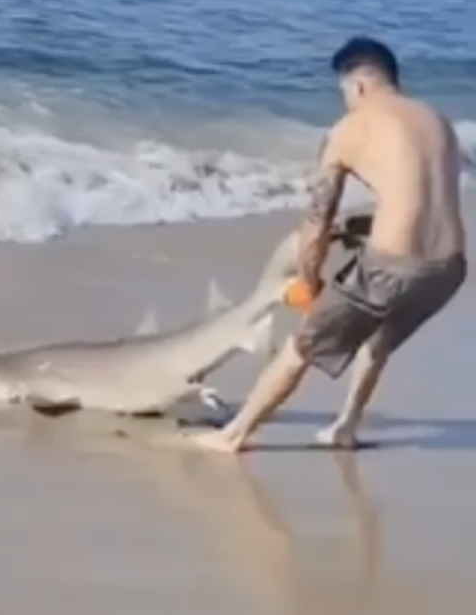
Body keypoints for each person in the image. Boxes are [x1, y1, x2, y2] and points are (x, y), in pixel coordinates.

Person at [190, 36, 468, 453]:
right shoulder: (438, 120)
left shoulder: (350, 128)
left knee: (301, 346)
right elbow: (428, 194)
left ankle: (234, 435)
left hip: (390, 266)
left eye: (344, 93)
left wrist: (309, 278)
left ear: (357, 85)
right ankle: (346, 426)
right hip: (448, 270)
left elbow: (317, 220)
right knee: (379, 340)